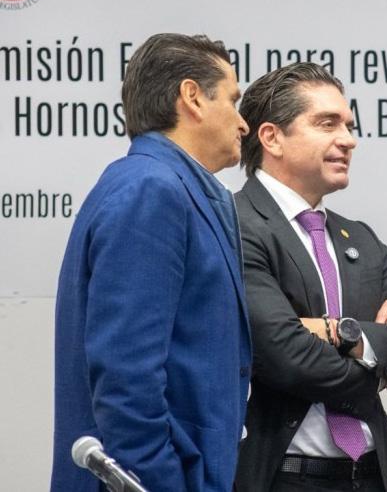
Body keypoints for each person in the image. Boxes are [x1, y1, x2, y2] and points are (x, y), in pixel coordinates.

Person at [232, 62, 387, 492]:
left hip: (372, 477)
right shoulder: (236, 225)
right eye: (327, 123)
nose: (349, 139)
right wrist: (379, 364)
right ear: (272, 137)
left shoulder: (360, 239)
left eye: (348, 126)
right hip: (285, 479)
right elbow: (287, 357)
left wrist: (348, 337)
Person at [51, 33, 252, 492]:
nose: (242, 123)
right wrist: (160, 482)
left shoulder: (169, 187)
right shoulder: (151, 190)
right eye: (233, 100)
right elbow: (127, 377)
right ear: (192, 97)